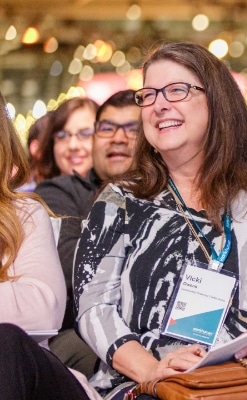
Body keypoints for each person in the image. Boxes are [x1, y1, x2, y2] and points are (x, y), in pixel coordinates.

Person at [73, 42, 247, 399]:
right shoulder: (119, 201)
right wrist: (153, 370)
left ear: (217, 102)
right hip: (153, 385)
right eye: (149, 94)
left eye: (177, 90)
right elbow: (94, 308)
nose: (159, 104)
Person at [0, 91, 100, 399]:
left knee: (6, 341)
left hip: (27, 376)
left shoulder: (23, 214)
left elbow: (43, 308)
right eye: (65, 134)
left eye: (86, 133)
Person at [35, 89, 140, 378]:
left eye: (132, 128)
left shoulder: (170, 198)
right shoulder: (61, 192)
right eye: (107, 127)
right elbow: (75, 266)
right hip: (82, 334)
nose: (118, 137)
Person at [35, 97, 98, 181]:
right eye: (62, 135)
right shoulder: (44, 192)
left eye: (85, 134)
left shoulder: (117, 191)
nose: (73, 145)